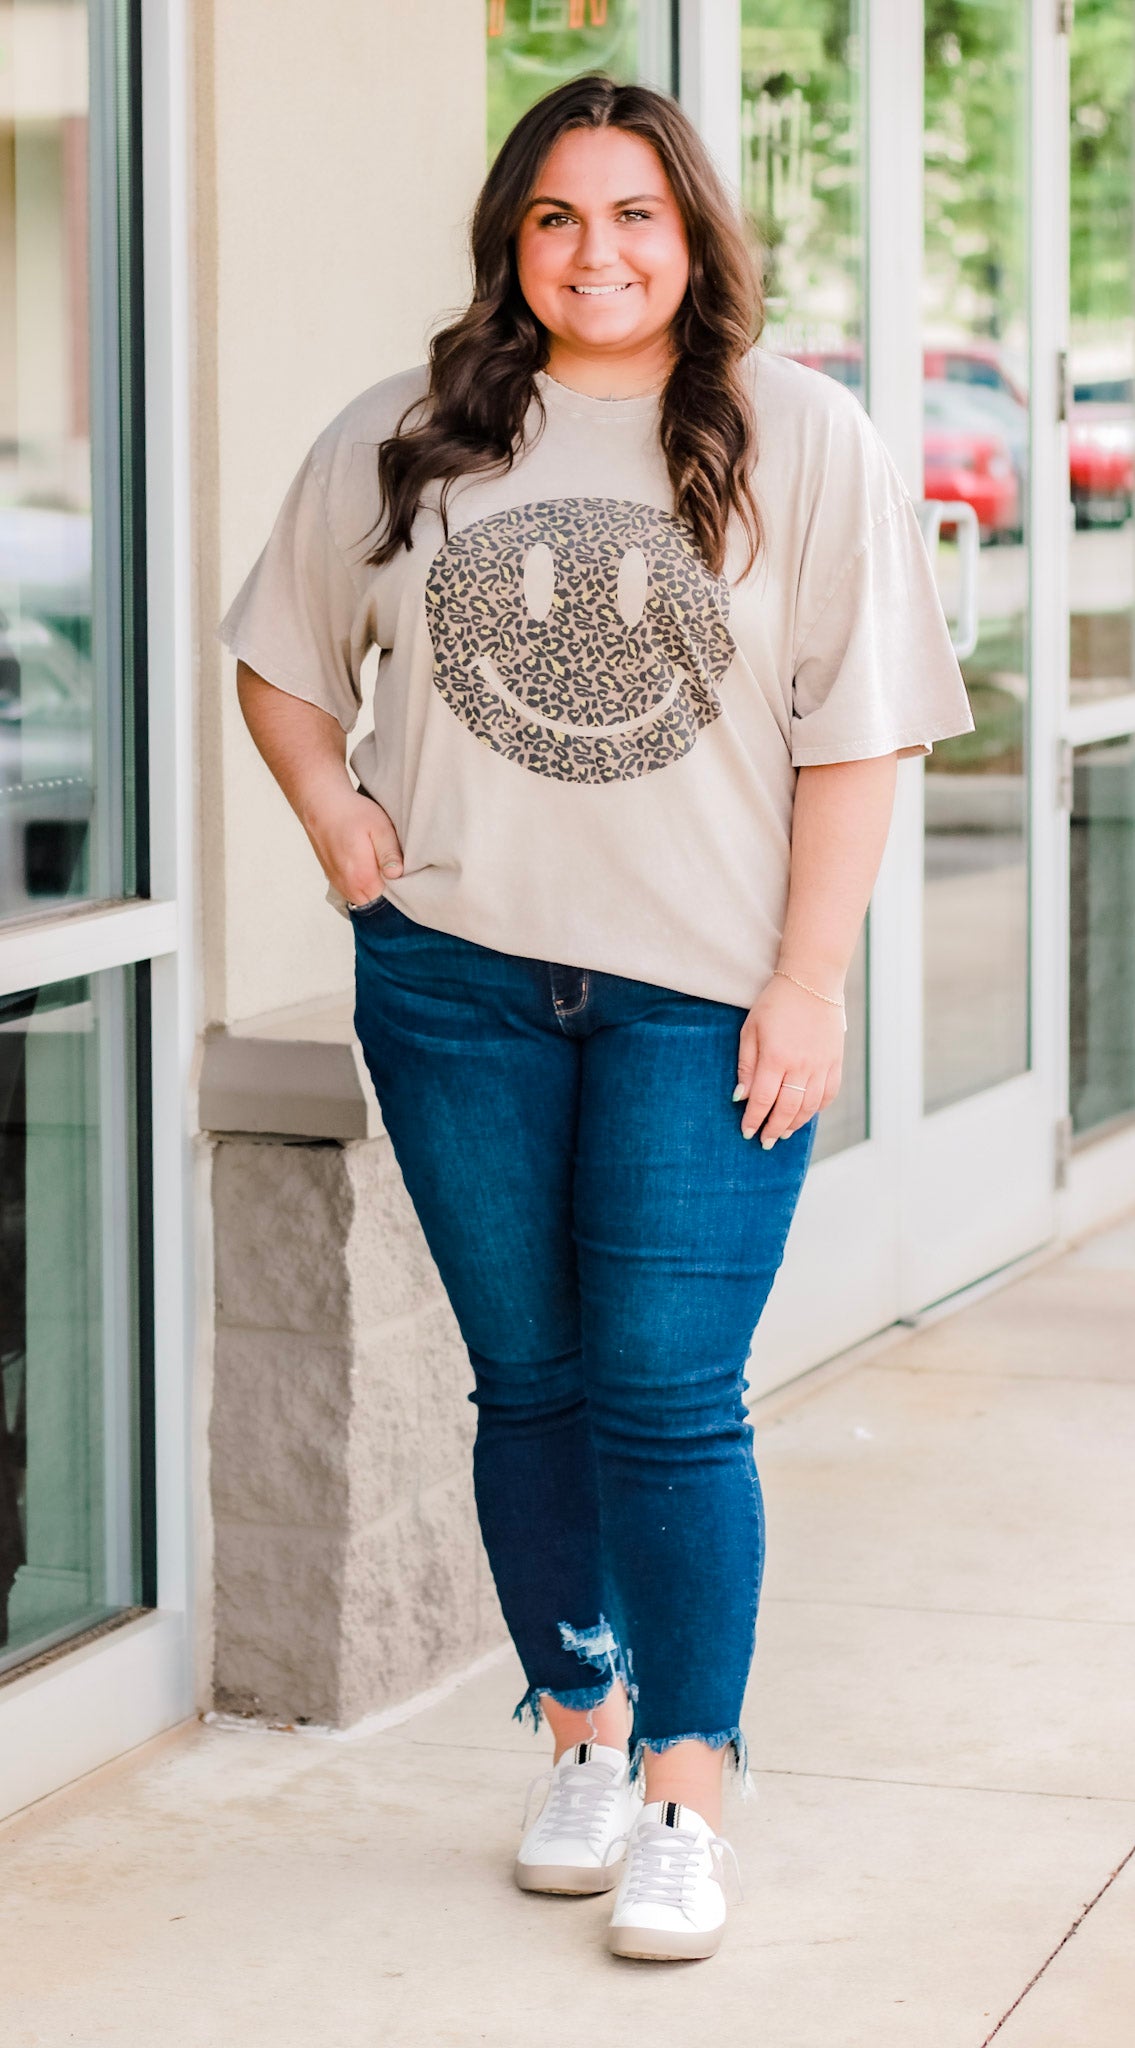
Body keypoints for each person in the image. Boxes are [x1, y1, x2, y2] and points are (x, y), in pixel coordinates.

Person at [218, 74, 973, 1964]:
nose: (597, 251)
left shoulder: (797, 436)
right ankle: (579, 1735)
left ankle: (686, 1793)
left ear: (692, 233)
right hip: (455, 984)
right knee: (531, 1383)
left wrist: (809, 980)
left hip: (703, 1000)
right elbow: (281, 660)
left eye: (636, 212)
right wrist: (332, 814)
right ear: (512, 241)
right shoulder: (407, 438)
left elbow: (862, 734)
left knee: (669, 1392)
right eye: (557, 216)